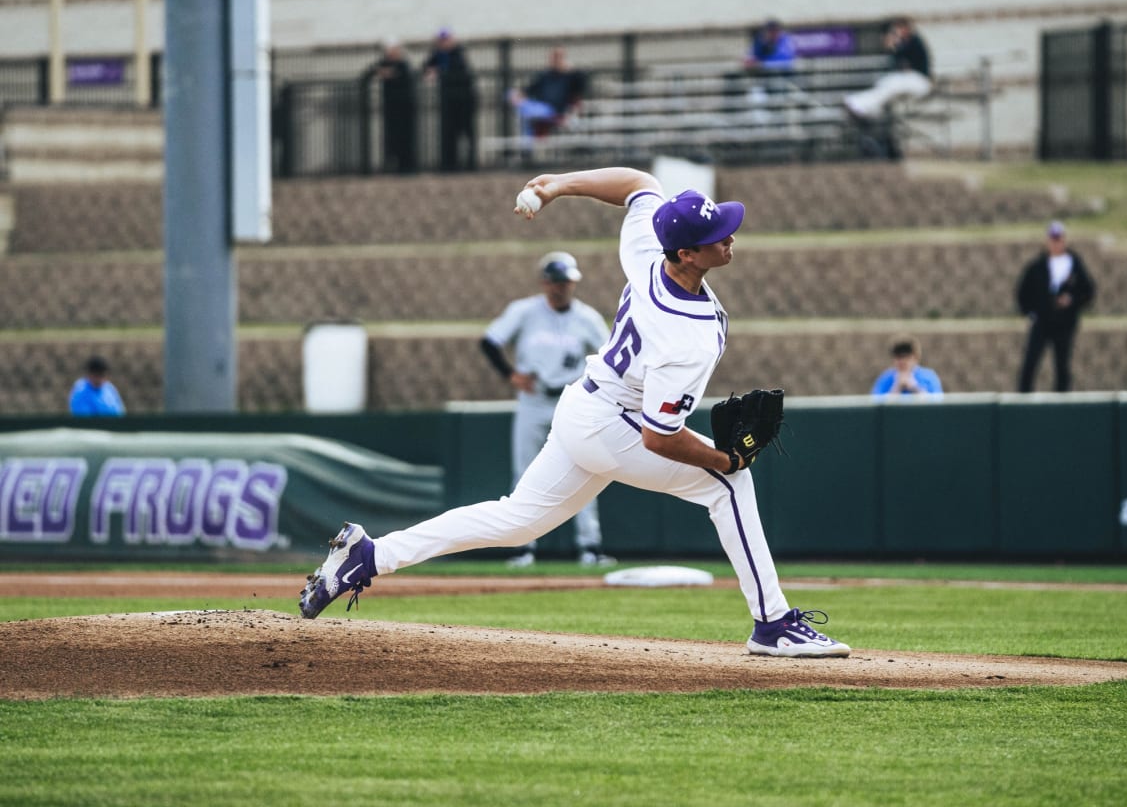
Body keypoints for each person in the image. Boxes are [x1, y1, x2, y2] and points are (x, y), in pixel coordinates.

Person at [299, 166, 850, 659]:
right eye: (714, 236)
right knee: (728, 488)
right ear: (686, 253)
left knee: (519, 520)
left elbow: (638, 184)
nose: (729, 237)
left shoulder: (647, 255)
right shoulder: (687, 337)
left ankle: (369, 556)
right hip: (616, 423)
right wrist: (723, 459)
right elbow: (660, 438)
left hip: (584, 407)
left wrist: (560, 184)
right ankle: (774, 624)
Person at [481, 250, 614, 568]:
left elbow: (610, 356)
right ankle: (523, 547)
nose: (561, 287)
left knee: (585, 468)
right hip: (534, 399)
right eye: (556, 281)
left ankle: (590, 546)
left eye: (566, 281)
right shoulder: (525, 312)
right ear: (544, 282)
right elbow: (490, 341)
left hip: (571, 401)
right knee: (525, 471)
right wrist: (509, 374)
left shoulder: (586, 317)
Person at [1016, 221, 1096, 393]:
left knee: (1062, 363)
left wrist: (1072, 301)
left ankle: (1061, 399)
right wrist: (1032, 312)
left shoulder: (1074, 264)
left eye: (1059, 239)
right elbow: (1023, 292)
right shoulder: (1037, 266)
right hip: (1042, 321)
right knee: (1031, 361)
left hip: (1065, 322)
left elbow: (1088, 291)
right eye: (1053, 239)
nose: (1056, 243)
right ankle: (1022, 398)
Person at [842, 17, 933, 123]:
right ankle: (864, 106)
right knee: (886, 85)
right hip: (913, 80)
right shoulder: (907, 42)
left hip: (920, 81)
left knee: (890, 84)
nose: (896, 32)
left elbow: (903, 59)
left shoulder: (913, 41)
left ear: (906, 28)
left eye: (898, 29)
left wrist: (893, 46)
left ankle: (860, 104)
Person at [422, 27, 477, 172]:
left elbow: (458, 70)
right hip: (448, 102)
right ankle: (449, 164)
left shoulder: (458, 53)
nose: (444, 43)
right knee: (448, 133)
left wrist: (438, 72)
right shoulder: (438, 54)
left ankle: (471, 164)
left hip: (464, 101)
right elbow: (426, 67)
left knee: (467, 133)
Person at [508, 46, 588, 145]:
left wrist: (571, 69)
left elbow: (581, 86)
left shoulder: (571, 76)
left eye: (559, 57)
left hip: (557, 111)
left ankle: (530, 142)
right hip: (540, 108)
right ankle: (528, 147)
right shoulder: (544, 75)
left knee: (530, 114)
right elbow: (530, 89)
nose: (555, 60)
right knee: (514, 98)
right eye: (554, 57)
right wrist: (518, 95)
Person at [363, 40, 417, 173]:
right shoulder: (382, 64)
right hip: (390, 108)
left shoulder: (404, 64)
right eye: (390, 50)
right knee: (391, 139)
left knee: (406, 138)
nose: (392, 53)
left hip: (405, 108)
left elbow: (405, 76)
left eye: (394, 50)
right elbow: (366, 76)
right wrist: (379, 72)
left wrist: (389, 74)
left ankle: (407, 166)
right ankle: (393, 164)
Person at [870, 334, 943, 398]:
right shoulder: (885, 379)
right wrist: (896, 388)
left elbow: (938, 403)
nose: (902, 361)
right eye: (898, 357)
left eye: (906, 357)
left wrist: (914, 387)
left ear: (916, 357)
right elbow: (875, 405)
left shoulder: (929, 377)